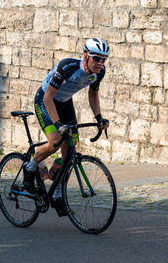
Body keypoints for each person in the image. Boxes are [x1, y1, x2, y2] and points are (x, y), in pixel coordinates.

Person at [23, 38, 110, 215]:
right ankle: (30, 167)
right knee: (55, 141)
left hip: (64, 103)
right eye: (96, 58)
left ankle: (57, 194)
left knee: (70, 150)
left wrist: (99, 117)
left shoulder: (99, 73)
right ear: (86, 56)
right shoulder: (67, 67)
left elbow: (93, 95)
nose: (100, 63)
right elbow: (48, 98)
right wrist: (57, 124)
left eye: (103, 59)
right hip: (45, 100)